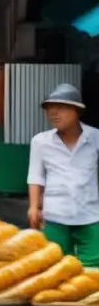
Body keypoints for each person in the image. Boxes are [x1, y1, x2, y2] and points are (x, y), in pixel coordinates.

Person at [27, 84, 99, 268]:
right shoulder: (40, 141)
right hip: (55, 215)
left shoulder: (95, 137)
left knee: (93, 268)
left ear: (77, 111)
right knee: (56, 266)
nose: (54, 113)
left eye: (61, 108)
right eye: (50, 109)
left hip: (90, 215)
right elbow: (36, 176)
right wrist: (34, 206)